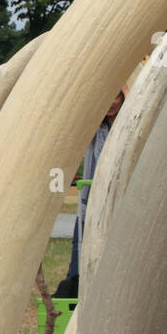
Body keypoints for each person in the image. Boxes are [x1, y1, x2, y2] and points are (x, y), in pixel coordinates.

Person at [54, 89, 125, 299]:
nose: (112, 102)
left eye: (117, 95)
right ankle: (73, 304)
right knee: (78, 263)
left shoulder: (128, 122)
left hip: (118, 203)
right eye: (109, 94)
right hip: (90, 204)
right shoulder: (96, 126)